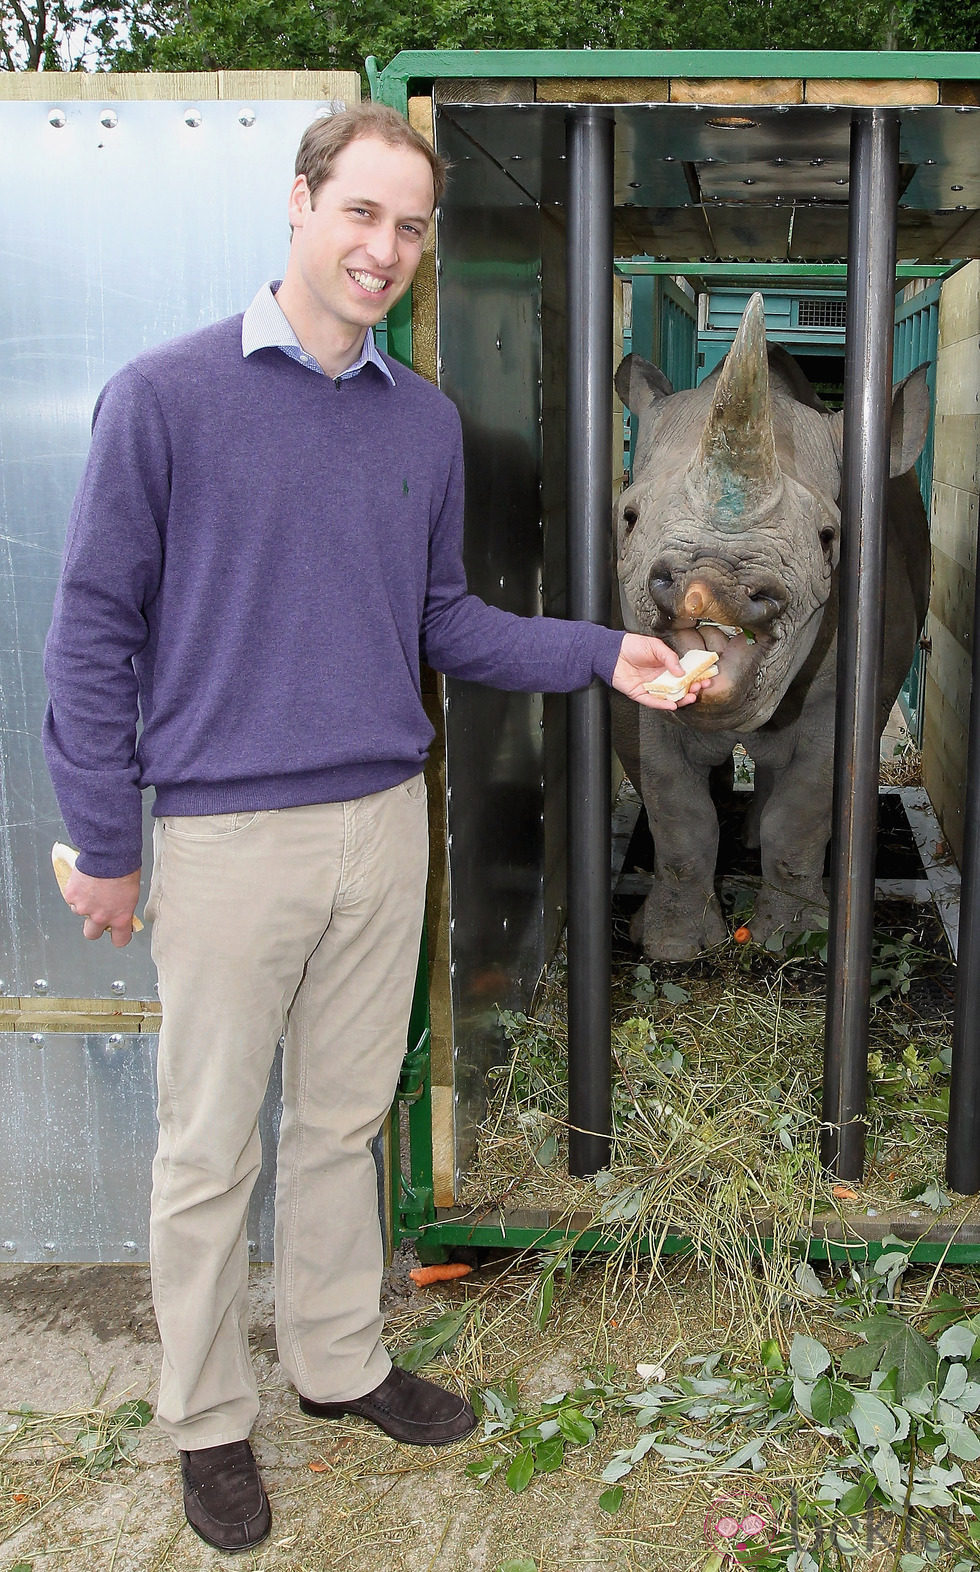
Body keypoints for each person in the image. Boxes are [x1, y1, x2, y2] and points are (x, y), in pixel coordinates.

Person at [42, 102, 703, 1554]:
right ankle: (208, 1421)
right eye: (362, 215)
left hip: (381, 821)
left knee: (344, 1123)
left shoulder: (419, 420)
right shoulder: (165, 399)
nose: (385, 250)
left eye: (410, 229)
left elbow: (442, 621)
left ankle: (337, 1363)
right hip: (225, 840)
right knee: (208, 1149)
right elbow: (92, 630)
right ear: (300, 204)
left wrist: (608, 655)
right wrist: (105, 837)